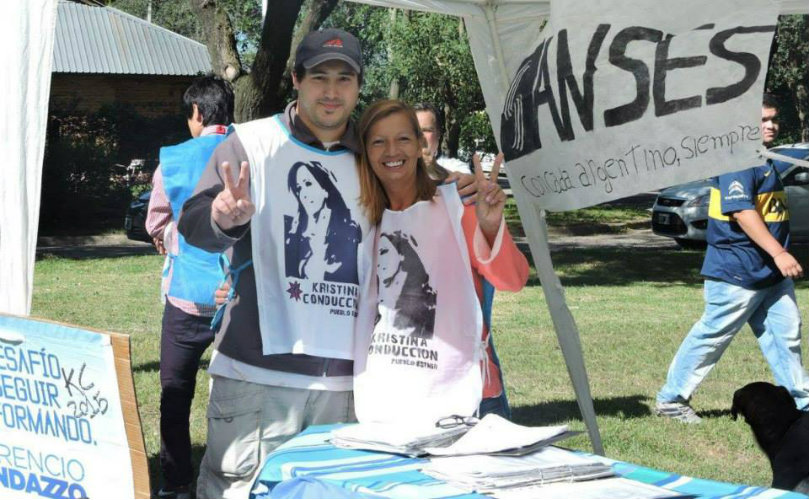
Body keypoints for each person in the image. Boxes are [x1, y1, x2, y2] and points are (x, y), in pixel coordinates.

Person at [178, 30, 477, 498]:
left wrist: (468, 192)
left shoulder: (376, 153)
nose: (332, 91)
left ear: (359, 86)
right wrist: (222, 218)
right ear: (296, 80)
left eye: (345, 78)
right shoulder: (251, 144)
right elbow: (193, 223)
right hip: (256, 378)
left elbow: (430, 197)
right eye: (319, 77)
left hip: (349, 384)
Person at [352, 99, 529, 425]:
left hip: (464, 401)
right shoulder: (363, 216)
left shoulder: (458, 204)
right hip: (386, 398)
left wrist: (490, 226)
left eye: (403, 138)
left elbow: (513, 279)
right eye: (378, 141)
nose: (392, 150)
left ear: (421, 144)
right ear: (365, 150)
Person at [655, 93, 809, 424]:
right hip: (737, 273)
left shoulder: (760, 157)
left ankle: (800, 402)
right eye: (763, 120)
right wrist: (780, 252)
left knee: (786, 336)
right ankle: (671, 400)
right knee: (713, 335)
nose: (771, 125)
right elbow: (741, 212)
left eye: (773, 119)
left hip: (768, 275)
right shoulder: (737, 160)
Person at [145, 74, 234, 499]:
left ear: (197, 113)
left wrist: (170, 240)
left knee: (176, 395)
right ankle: (229, 479)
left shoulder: (174, 160)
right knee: (235, 397)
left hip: (185, 298)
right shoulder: (254, 152)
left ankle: (177, 483)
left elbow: (156, 222)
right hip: (238, 298)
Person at [285, 160, 361, 282]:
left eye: (308, 184)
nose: (303, 194)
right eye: (299, 188)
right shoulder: (293, 235)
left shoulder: (350, 231)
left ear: (325, 190)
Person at [414, 102, 471, 178]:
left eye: (426, 130)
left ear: (438, 134)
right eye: (414, 130)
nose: (420, 136)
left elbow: (464, 182)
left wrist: (435, 169)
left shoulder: (455, 167)